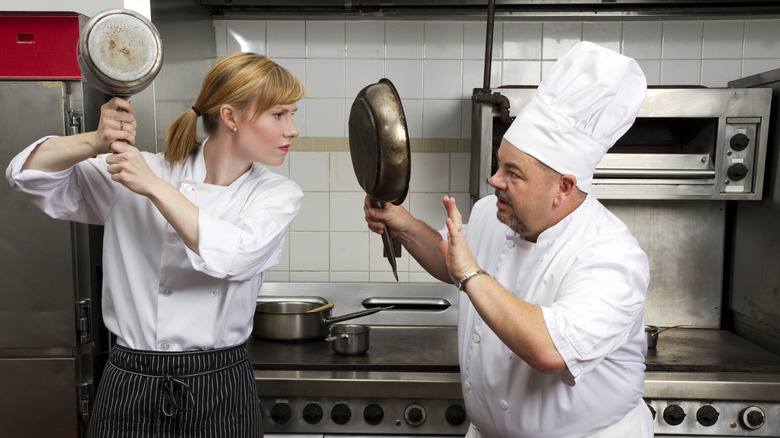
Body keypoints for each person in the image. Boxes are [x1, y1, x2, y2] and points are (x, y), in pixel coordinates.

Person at [6, 52, 305, 437]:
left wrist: (153, 187)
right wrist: (95, 141)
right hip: (131, 382)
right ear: (230, 117)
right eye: (279, 115)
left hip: (219, 385)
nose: (292, 129)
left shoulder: (276, 194)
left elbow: (234, 256)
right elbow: (25, 175)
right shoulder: (145, 169)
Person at [364, 41, 653, 437]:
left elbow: (550, 350)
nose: (494, 180)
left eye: (512, 174)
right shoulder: (493, 213)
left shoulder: (612, 256)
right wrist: (405, 225)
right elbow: (455, 264)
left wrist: (468, 273)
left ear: (563, 187)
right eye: (499, 163)